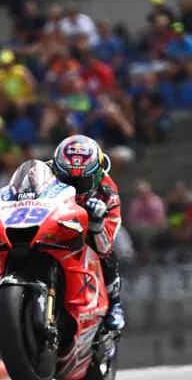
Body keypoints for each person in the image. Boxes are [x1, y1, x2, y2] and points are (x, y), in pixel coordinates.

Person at [48, 135, 124, 330]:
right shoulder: (44, 172)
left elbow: (106, 242)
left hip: (86, 233)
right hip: (51, 223)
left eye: (81, 182)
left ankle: (115, 304)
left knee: (107, 254)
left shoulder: (108, 191)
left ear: (97, 174)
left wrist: (97, 223)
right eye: (67, 180)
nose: (74, 188)